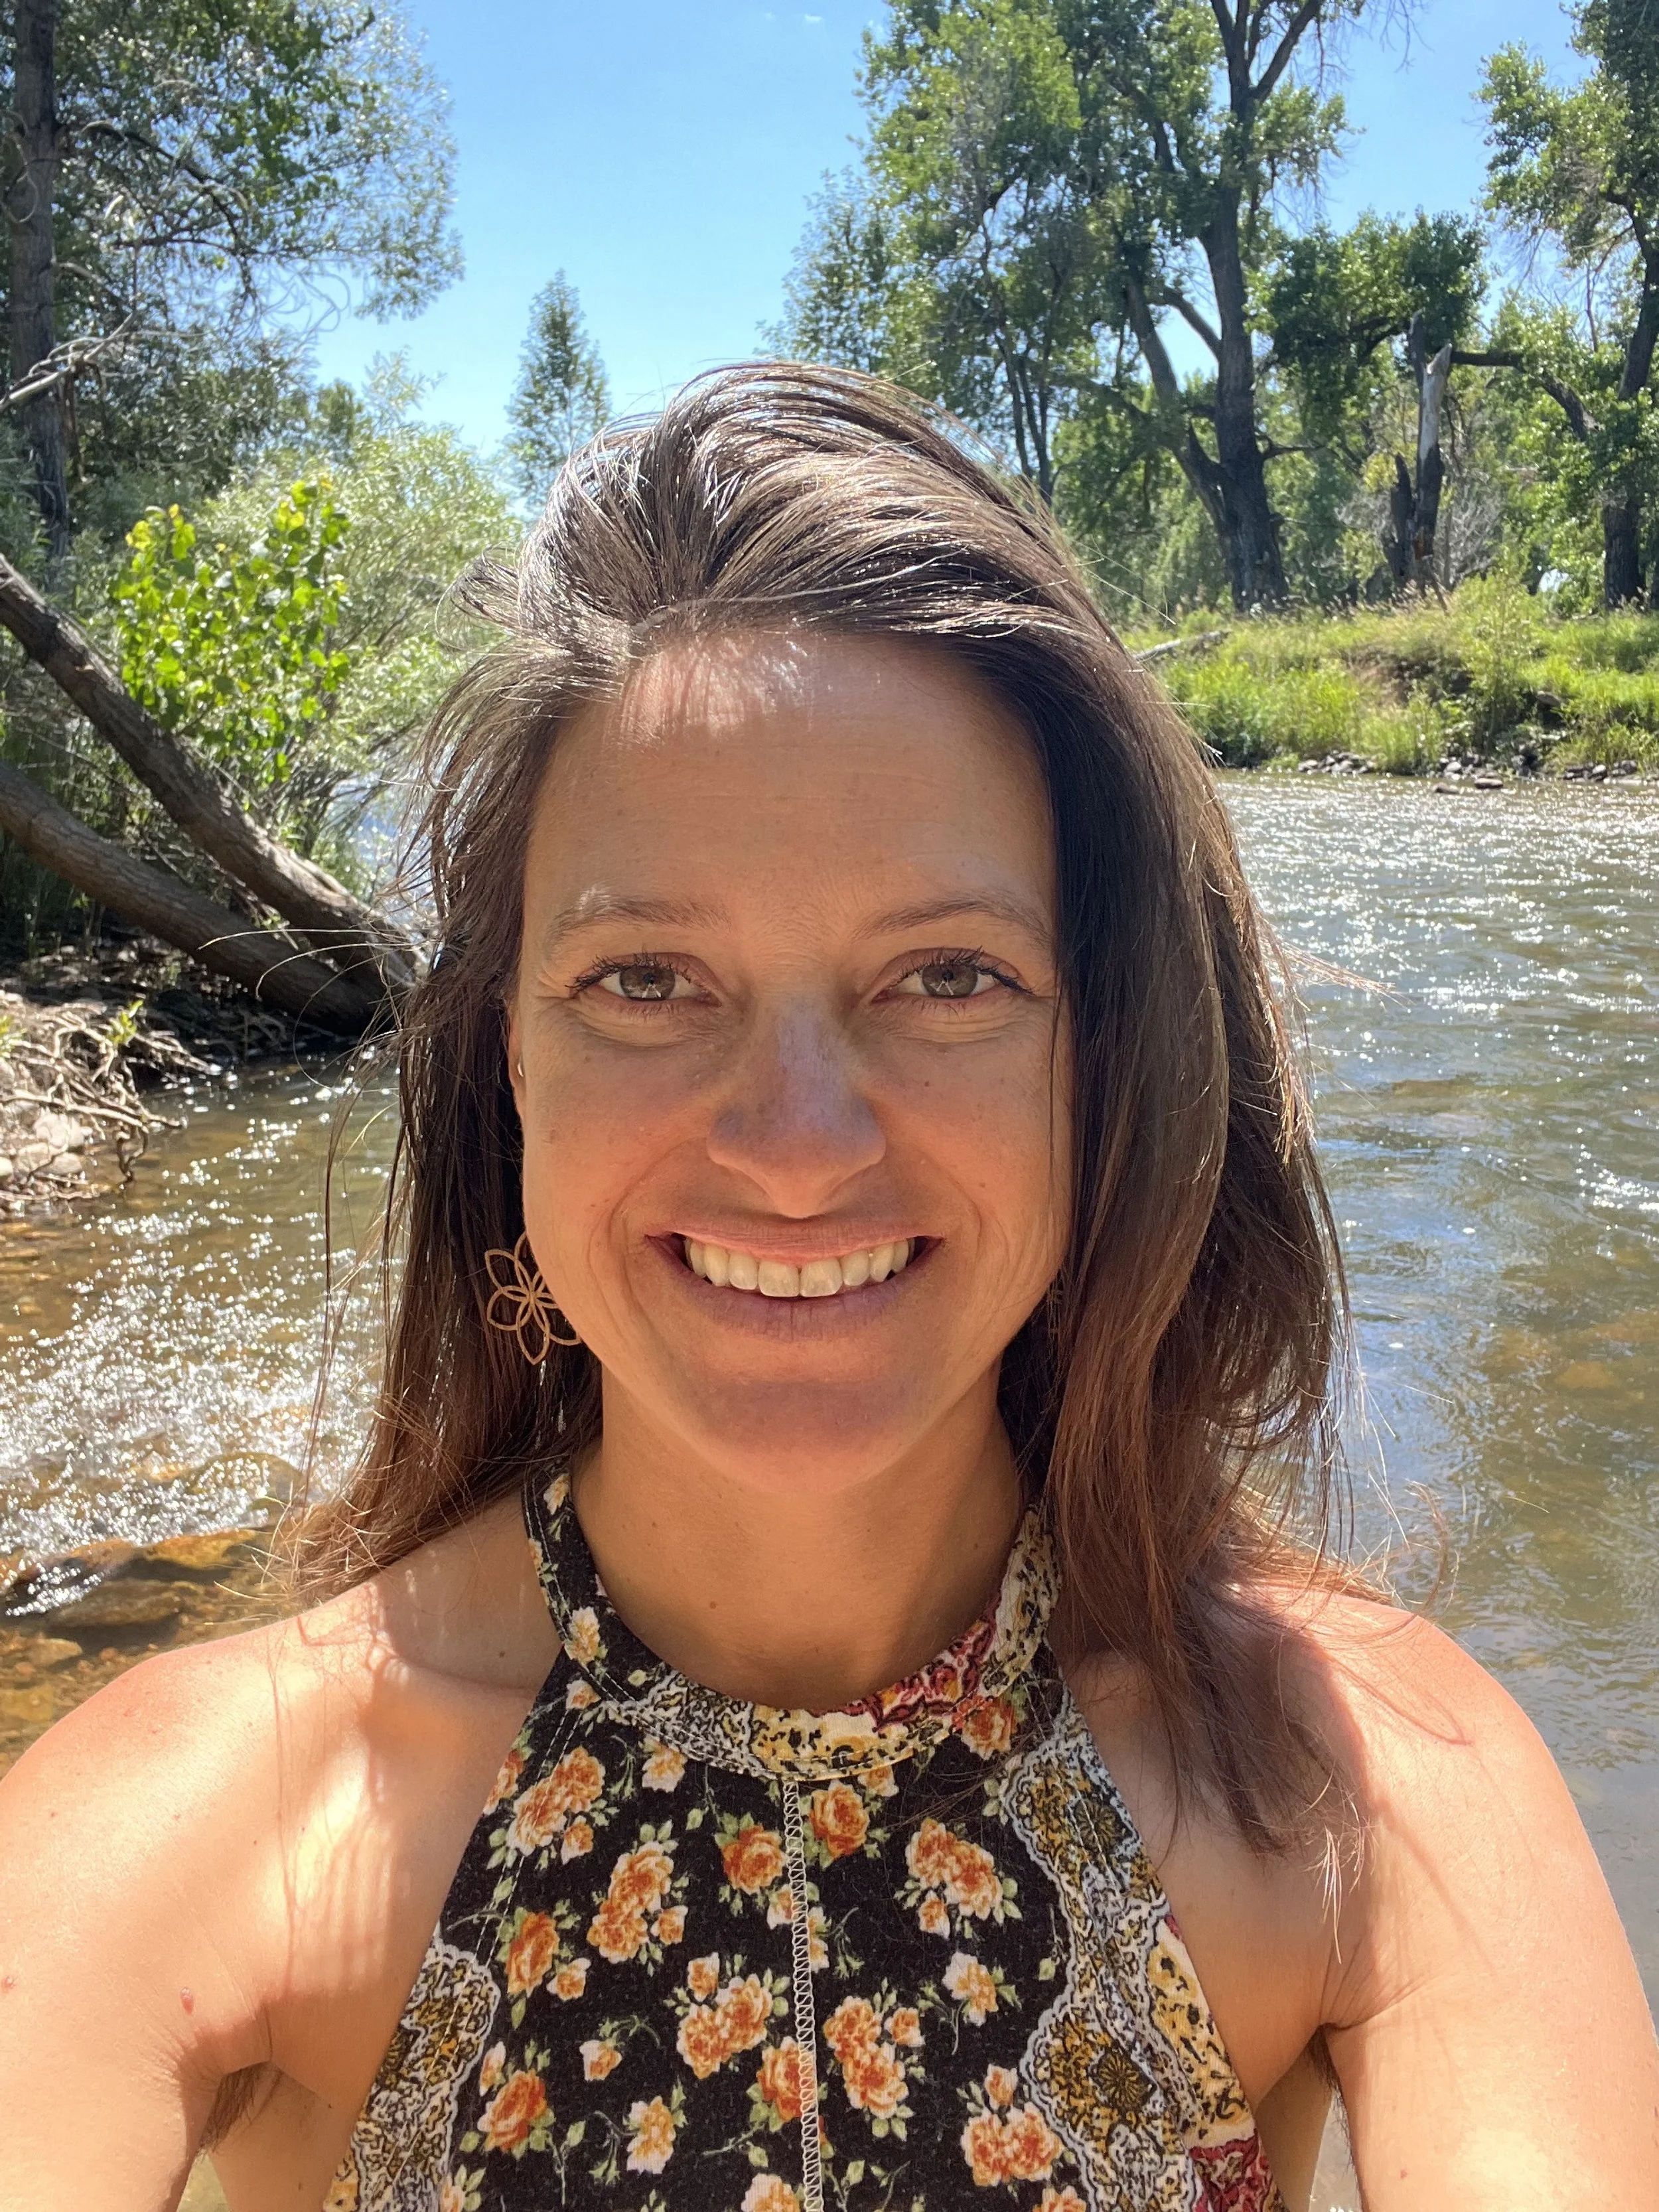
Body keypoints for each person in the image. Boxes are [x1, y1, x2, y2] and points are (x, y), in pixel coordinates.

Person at [1, 366, 1654, 2212]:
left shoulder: (1370, 1790)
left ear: (1104, 1062)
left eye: (945, 977)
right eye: (646, 980)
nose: (794, 1145)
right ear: (503, 1072)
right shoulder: (194, 1828)